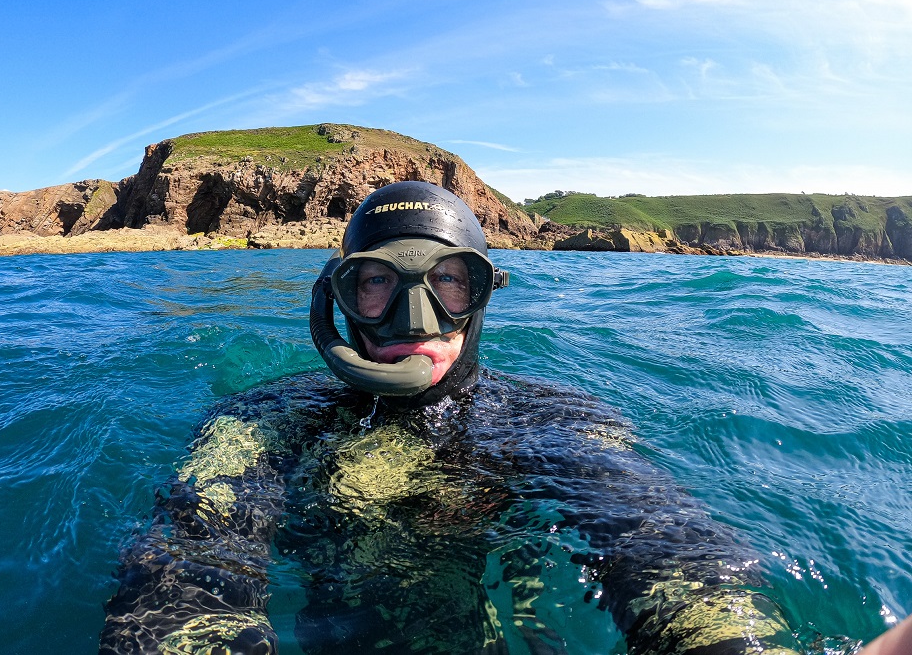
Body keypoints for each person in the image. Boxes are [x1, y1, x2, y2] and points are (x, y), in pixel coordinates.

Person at [101, 181, 899, 654]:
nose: (415, 318)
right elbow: (187, 572)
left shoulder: (549, 418)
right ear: (336, 300)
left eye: (450, 280)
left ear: (482, 297)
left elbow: (659, 544)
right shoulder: (264, 423)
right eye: (374, 283)